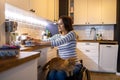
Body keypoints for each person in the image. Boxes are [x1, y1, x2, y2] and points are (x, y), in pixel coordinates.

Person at [35, 16, 78, 80]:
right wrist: (33, 40)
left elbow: (59, 42)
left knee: (59, 74)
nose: (58, 26)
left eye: (61, 24)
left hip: (72, 64)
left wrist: (39, 43)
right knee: (51, 74)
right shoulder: (57, 36)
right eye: (58, 24)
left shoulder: (72, 34)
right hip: (61, 64)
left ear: (66, 24)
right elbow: (46, 40)